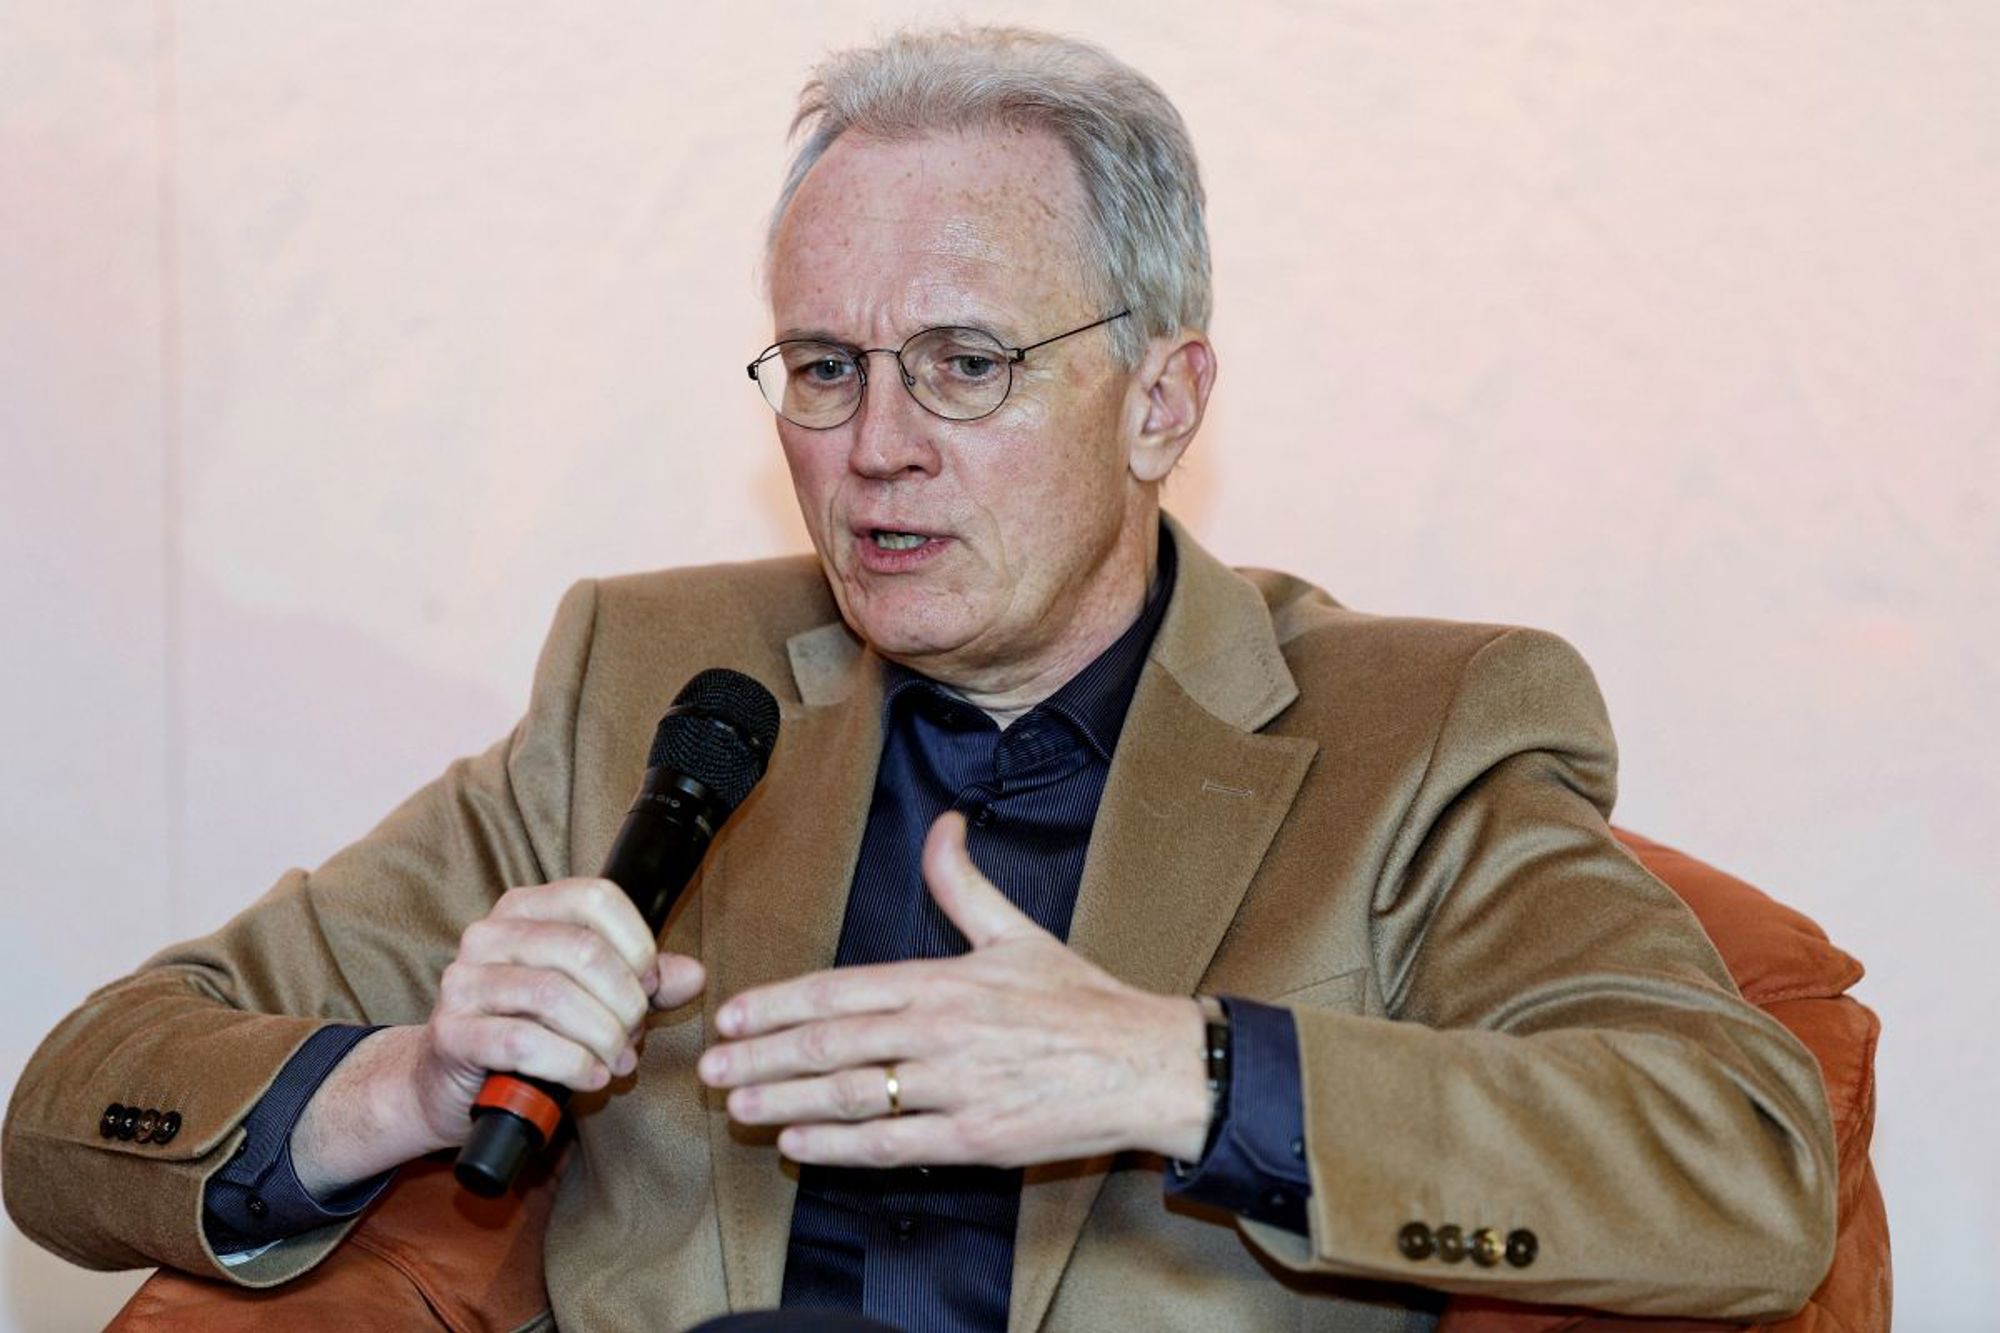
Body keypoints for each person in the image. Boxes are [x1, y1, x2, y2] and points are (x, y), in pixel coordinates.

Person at [4, 26, 1836, 1332]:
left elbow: (1745, 1167)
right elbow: (76, 1103)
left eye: (966, 362)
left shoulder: (1409, 735)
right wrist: (409, 1080)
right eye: (822, 365)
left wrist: (1185, 1074)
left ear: (1163, 401)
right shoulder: (657, 690)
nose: (875, 445)